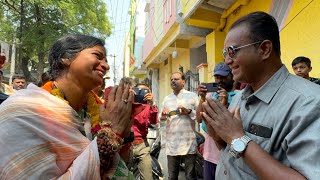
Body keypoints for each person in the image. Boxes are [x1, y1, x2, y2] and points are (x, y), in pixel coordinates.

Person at [201, 11, 320, 179]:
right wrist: (220, 137)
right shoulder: (239, 97)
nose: (228, 60)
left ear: (264, 49)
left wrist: (237, 137)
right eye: (225, 53)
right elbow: (234, 154)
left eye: (232, 51)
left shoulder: (309, 103)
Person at [0, 34, 135, 179]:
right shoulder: (24, 110)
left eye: (106, 61)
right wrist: (111, 133)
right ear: (66, 58)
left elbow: (117, 166)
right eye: (98, 56)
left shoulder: (98, 110)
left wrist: (124, 134)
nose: (106, 66)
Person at [196, 62, 236, 180]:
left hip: (228, 158)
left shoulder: (238, 96)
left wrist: (226, 103)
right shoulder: (211, 96)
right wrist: (202, 98)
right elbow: (199, 119)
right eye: (217, 77)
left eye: (223, 77)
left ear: (232, 76)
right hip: (209, 156)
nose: (219, 81)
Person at [159, 72, 199, 180]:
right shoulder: (167, 99)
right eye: (171, 79)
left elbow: (199, 116)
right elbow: (161, 121)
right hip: (172, 143)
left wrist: (189, 111)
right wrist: (162, 115)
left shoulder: (193, 96)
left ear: (183, 82)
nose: (173, 81)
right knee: (172, 176)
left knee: (190, 176)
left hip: (188, 142)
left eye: (176, 79)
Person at [130, 83, 158, 180]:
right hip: (127, 145)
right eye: (139, 90)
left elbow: (154, 121)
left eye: (145, 91)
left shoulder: (148, 107)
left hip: (142, 145)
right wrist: (128, 98)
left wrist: (151, 104)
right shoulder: (128, 104)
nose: (141, 93)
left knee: (147, 177)